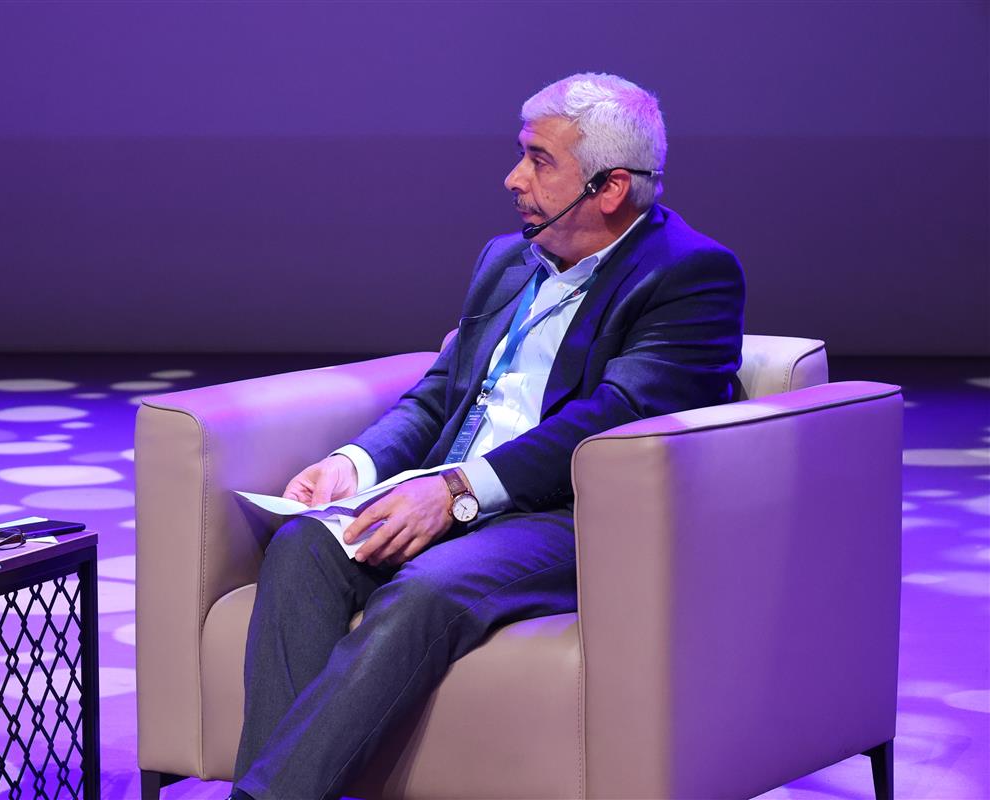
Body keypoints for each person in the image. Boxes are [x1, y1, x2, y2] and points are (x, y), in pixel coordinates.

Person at [229, 72, 745, 800]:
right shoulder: (506, 259)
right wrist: (355, 464)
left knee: (426, 589)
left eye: (539, 160)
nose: (513, 178)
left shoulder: (689, 276)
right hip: (455, 491)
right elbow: (442, 392)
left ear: (609, 188)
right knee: (304, 546)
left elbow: (614, 418)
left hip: (568, 516)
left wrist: (455, 492)